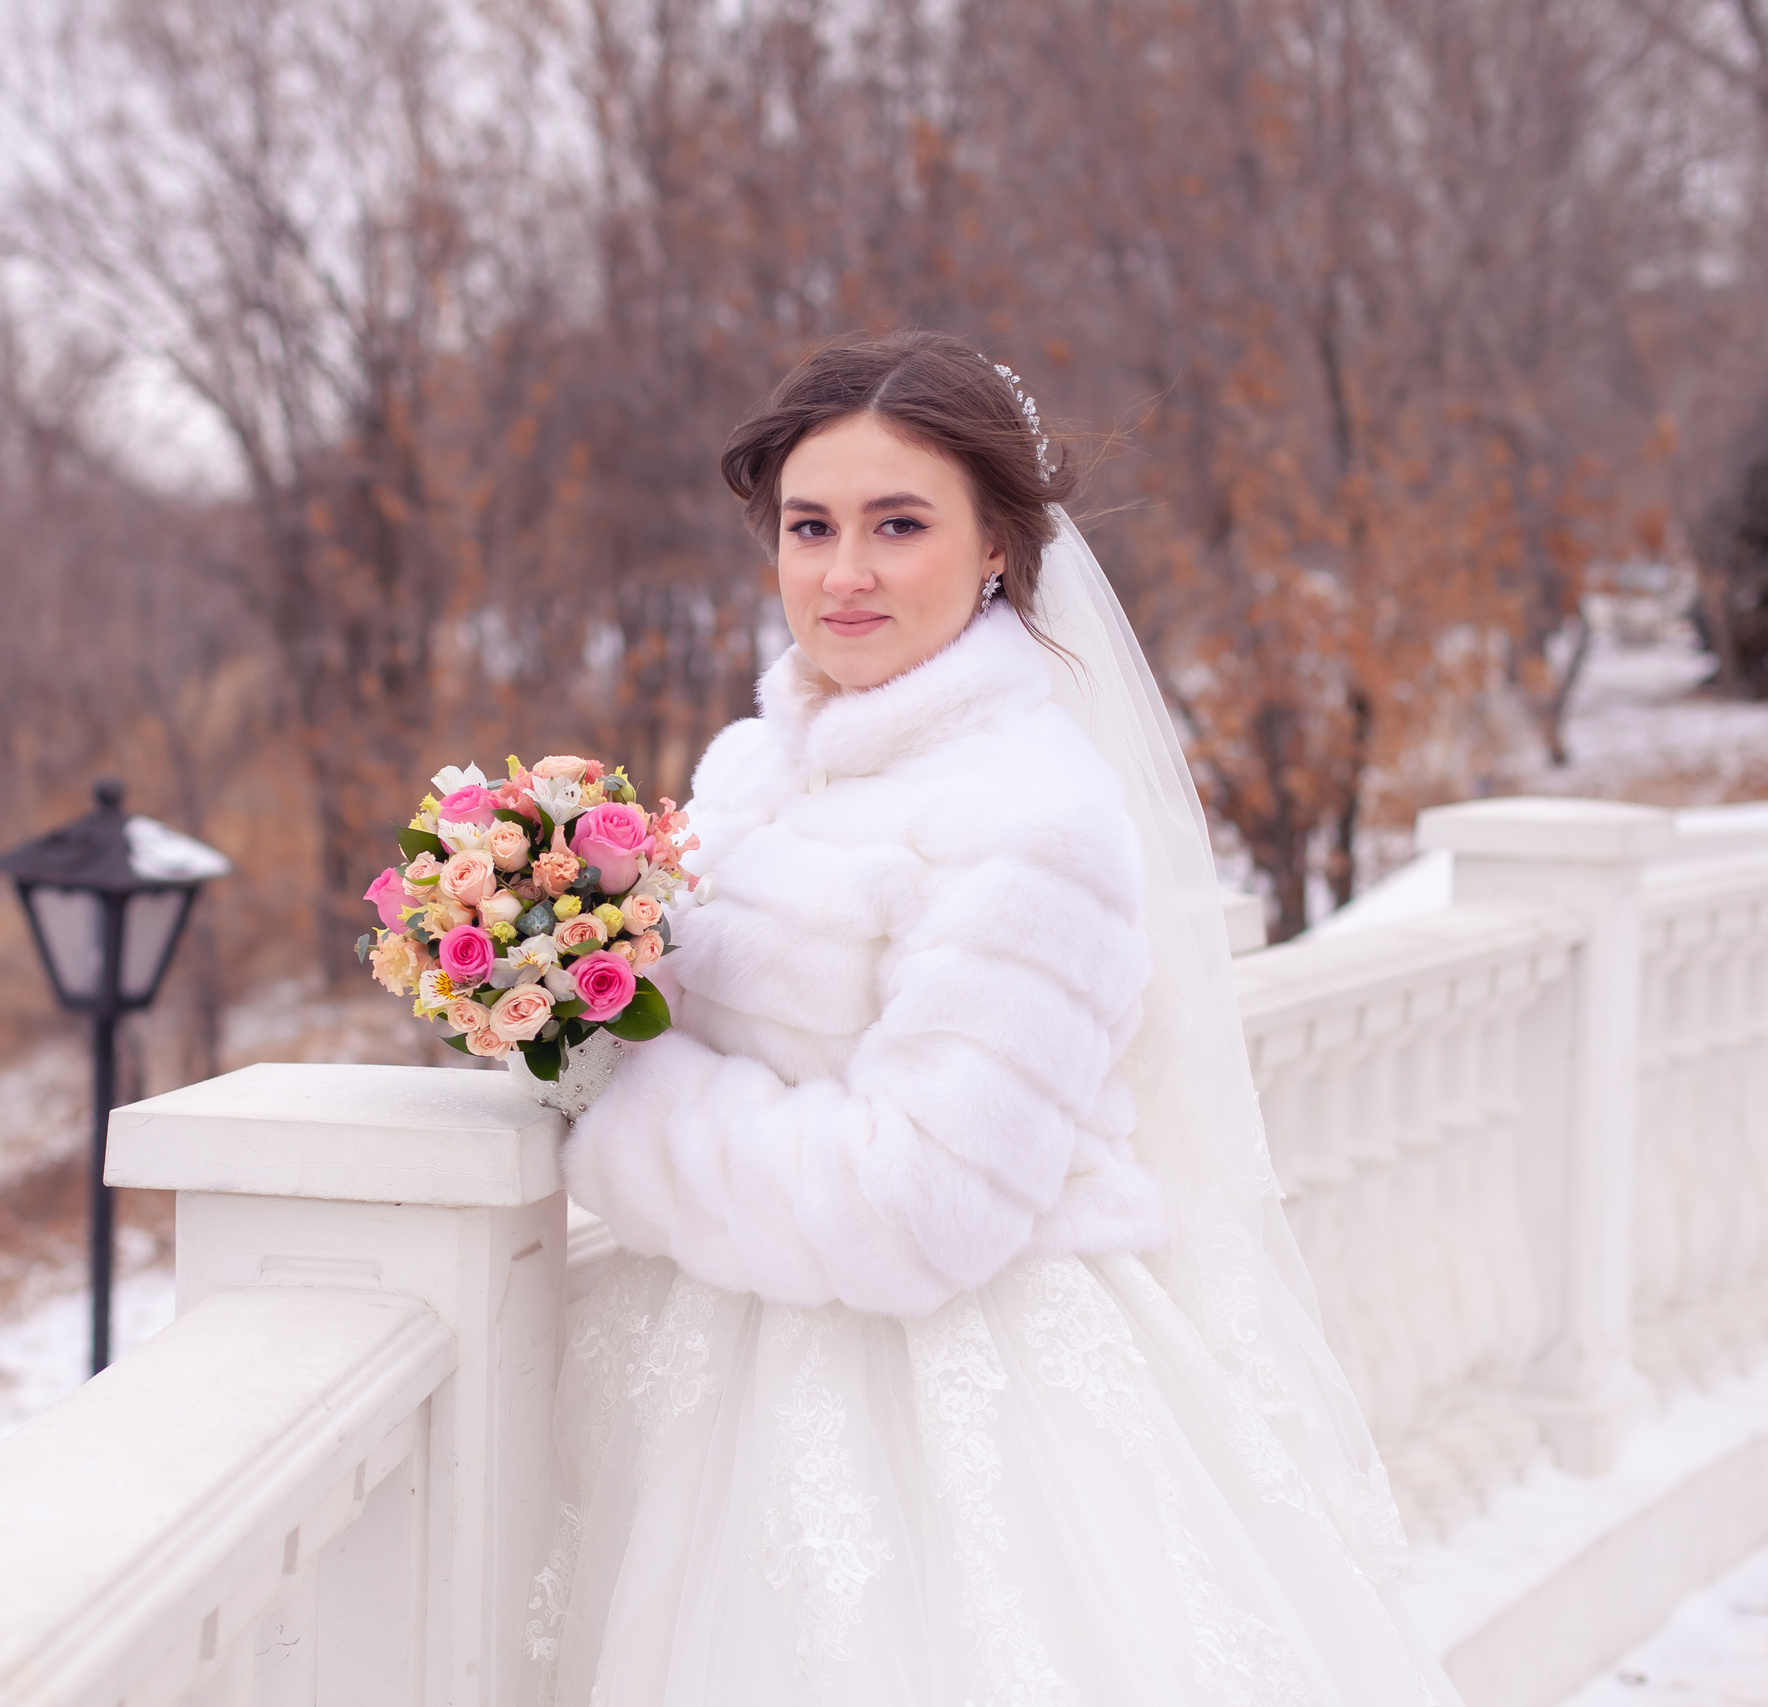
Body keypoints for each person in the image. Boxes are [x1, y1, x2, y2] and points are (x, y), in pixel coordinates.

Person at [532, 331, 1462, 1706]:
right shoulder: (742, 770)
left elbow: (923, 1203)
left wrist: (616, 1112)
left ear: (993, 553)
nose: (844, 572)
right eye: (810, 526)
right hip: (713, 1364)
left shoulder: (1033, 814)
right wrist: (539, 972)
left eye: (897, 525)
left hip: (950, 1404)